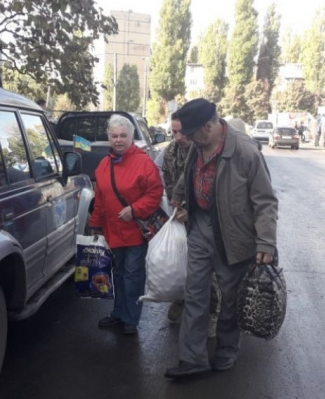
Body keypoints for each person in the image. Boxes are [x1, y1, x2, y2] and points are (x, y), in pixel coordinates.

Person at [164, 98, 278, 379]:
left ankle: (227, 350)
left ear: (210, 125)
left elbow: (265, 201)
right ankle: (193, 359)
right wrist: (179, 194)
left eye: (191, 133)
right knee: (195, 294)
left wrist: (265, 242)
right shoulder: (198, 145)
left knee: (231, 298)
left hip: (234, 233)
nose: (187, 139)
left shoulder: (245, 150)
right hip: (201, 225)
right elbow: (189, 172)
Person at [89, 114, 164, 335]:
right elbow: (100, 198)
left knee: (133, 275)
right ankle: (119, 313)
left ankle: (131, 318)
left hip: (135, 232)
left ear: (132, 137)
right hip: (113, 230)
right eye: (114, 136)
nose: (118, 140)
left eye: (123, 135)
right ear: (109, 138)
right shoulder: (104, 164)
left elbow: (155, 193)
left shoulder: (143, 162)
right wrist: (94, 225)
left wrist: (134, 209)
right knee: (118, 273)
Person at [162, 113, 221, 338]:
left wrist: (191, 209)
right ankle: (181, 298)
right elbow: (170, 184)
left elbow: (211, 188)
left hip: (203, 219)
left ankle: (212, 315)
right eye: (173, 132)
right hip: (181, 218)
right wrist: (177, 207)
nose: (178, 137)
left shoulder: (204, 149)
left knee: (210, 273)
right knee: (180, 263)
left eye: (181, 132)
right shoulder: (170, 152)